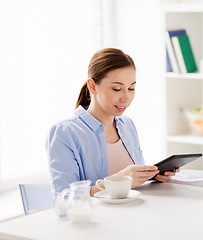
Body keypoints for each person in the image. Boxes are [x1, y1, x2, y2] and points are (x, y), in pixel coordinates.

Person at [46, 48, 178, 196]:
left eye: (131, 88)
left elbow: (134, 187)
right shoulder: (64, 133)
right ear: (92, 86)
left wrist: (151, 177)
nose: (126, 98)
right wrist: (118, 181)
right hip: (99, 218)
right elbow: (64, 197)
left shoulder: (127, 125)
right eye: (117, 89)